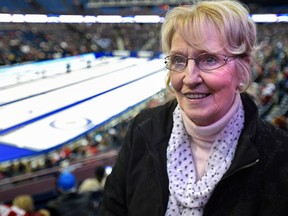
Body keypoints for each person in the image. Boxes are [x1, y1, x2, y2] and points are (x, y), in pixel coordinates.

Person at [99, 0, 288, 215]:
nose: (189, 78)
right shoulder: (142, 129)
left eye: (208, 59)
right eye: (179, 60)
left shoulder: (279, 157)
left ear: (242, 66)